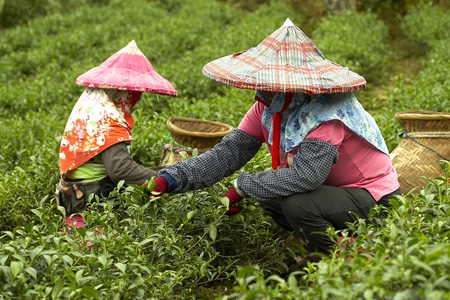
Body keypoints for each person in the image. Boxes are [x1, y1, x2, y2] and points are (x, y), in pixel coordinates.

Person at [150, 19, 401, 260]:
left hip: (372, 198)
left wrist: (242, 187)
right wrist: (171, 177)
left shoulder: (328, 113)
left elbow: (307, 176)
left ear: (295, 84)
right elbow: (229, 152)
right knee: (270, 195)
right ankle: (323, 250)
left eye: (273, 85)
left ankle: (348, 258)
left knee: (297, 204)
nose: (264, 91)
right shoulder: (267, 109)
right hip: (332, 193)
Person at [56, 40, 178, 228]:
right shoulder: (106, 120)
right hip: (91, 210)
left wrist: (165, 171)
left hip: (77, 200)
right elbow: (121, 171)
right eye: (129, 93)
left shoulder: (93, 109)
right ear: (117, 92)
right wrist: (170, 178)